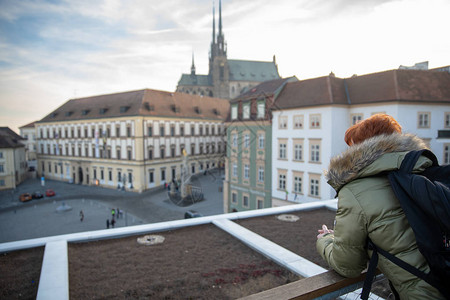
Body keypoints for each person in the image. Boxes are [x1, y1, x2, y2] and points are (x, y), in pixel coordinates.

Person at [316, 114, 444, 299]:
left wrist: (326, 239)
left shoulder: (356, 191)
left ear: (361, 149)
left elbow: (347, 265)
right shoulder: (427, 172)